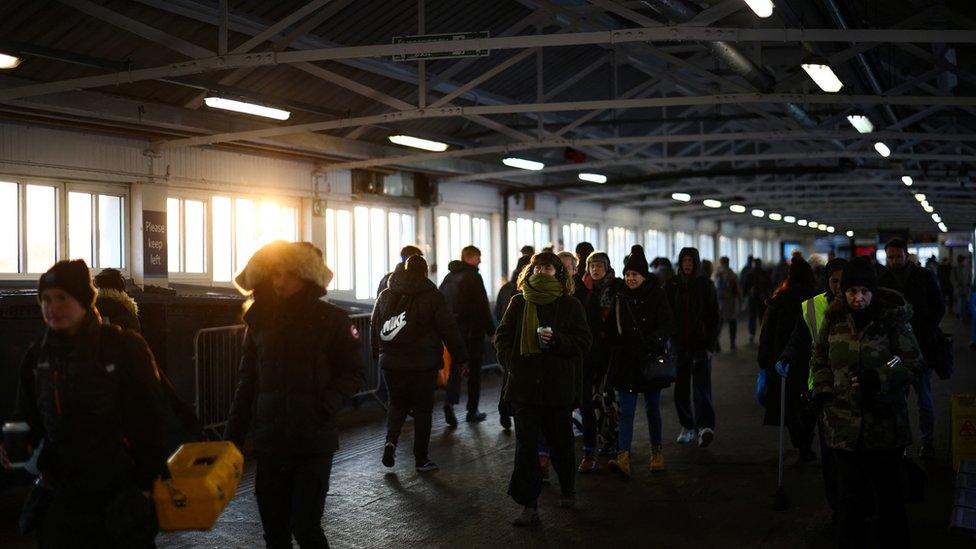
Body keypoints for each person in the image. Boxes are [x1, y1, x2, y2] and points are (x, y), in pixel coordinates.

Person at [4, 259, 170, 547]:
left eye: (61, 298)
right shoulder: (38, 357)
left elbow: (151, 419)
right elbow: (25, 413)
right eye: (45, 299)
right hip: (63, 495)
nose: (51, 307)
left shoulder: (122, 349)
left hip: (117, 495)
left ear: (83, 300)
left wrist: (146, 485)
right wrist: (14, 442)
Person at [225, 241, 364, 548]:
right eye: (276, 273)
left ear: (307, 277)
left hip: (312, 443)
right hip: (270, 442)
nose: (280, 282)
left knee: (305, 528)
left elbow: (354, 371)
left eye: (289, 274)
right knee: (275, 534)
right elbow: (247, 382)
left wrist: (326, 404)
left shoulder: (332, 320)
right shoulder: (259, 321)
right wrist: (231, 438)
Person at [810, 257, 921, 549]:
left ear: (873, 291)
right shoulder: (833, 318)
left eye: (864, 291)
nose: (857, 298)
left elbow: (913, 363)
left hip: (884, 426)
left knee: (889, 497)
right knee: (850, 500)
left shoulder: (892, 319)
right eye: (851, 291)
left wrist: (881, 378)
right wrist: (822, 389)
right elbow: (819, 358)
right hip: (843, 428)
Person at [494, 252, 591, 526]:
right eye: (537, 267)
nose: (541, 271)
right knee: (526, 448)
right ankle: (529, 505)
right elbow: (502, 336)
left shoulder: (569, 305)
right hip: (524, 387)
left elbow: (583, 342)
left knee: (561, 442)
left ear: (558, 272)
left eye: (547, 267)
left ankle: (568, 488)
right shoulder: (519, 301)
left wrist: (557, 340)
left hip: (557, 387)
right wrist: (511, 361)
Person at [372, 255, 468, 471]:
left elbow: (374, 325)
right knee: (423, 410)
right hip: (422, 364)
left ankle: (390, 442)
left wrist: (376, 354)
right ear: (425, 273)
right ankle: (421, 459)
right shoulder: (433, 296)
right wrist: (461, 358)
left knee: (397, 404)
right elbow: (448, 329)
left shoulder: (386, 294)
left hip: (391, 362)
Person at [780, 257, 847, 515]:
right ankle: (837, 507)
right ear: (827, 282)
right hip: (822, 388)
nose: (839, 287)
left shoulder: (858, 302)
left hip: (852, 387)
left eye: (844, 281)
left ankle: (853, 502)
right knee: (829, 451)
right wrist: (786, 357)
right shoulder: (812, 306)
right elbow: (799, 336)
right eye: (834, 281)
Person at [605, 250, 675, 477]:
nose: (630, 278)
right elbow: (611, 330)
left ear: (644, 275)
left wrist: (652, 342)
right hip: (626, 361)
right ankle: (623, 457)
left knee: (652, 409)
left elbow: (667, 324)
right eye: (627, 274)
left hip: (649, 361)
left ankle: (657, 453)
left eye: (635, 274)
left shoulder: (657, 295)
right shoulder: (619, 297)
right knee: (627, 412)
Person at [877, 238, 945, 460]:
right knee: (898, 397)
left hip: (921, 350)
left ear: (907, 255)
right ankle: (901, 442)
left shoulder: (925, 277)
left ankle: (928, 442)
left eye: (898, 256)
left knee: (924, 397)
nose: (895, 261)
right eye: (891, 257)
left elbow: (939, 307)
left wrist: (923, 332)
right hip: (894, 354)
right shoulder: (882, 280)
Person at [757, 258, 818, 461]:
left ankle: (799, 440)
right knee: (809, 402)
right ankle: (806, 443)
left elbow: (767, 333)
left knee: (789, 403)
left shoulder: (780, 298)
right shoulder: (815, 299)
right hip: (809, 359)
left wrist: (764, 361)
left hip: (782, 360)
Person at [666, 247, 720, 447]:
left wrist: (710, 346)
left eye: (691, 260)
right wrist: (670, 340)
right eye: (684, 260)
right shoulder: (672, 285)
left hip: (700, 346)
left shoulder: (706, 285)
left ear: (696, 263)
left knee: (702, 388)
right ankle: (687, 426)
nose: (687, 264)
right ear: (680, 262)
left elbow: (715, 316)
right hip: (678, 346)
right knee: (680, 389)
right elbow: (666, 313)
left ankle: (705, 427)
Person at [440, 246, 494, 425]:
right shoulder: (473, 277)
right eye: (479, 257)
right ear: (471, 257)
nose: (480, 261)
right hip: (472, 333)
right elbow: (482, 307)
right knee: (474, 373)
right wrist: (492, 331)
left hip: (453, 333)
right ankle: (472, 411)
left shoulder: (449, 277)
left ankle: (449, 403)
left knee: (455, 369)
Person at [578, 250, 616, 471]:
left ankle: (613, 440)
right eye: (592, 266)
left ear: (607, 267)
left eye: (599, 266)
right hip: (591, 352)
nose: (595, 269)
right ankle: (602, 440)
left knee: (608, 398)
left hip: (610, 351)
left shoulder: (615, 288)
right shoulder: (585, 291)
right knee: (593, 400)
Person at [713, 256, 740, 351]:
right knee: (731, 323)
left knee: (719, 324)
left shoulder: (716, 274)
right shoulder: (732, 274)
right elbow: (737, 290)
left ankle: (716, 343)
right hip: (729, 301)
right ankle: (732, 343)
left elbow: (713, 288)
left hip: (720, 302)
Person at [743, 258, 772, 344]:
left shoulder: (750, 274)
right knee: (762, 317)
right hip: (762, 299)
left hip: (752, 299)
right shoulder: (764, 273)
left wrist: (745, 295)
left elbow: (745, 287)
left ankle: (752, 335)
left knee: (752, 317)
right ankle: (763, 335)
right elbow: (769, 285)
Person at [953, 254, 972, 321]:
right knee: (960, 303)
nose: (966, 262)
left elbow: (970, 277)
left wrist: (969, 285)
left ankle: (965, 315)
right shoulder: (955, 268)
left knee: (966, 302)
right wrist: (957, 286)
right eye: (965, 260)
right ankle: (960, 316)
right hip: (959, 289)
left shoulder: (968, 268)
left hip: (966, 289)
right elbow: (953, 279)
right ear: (961, 261)